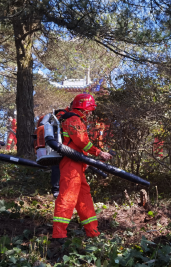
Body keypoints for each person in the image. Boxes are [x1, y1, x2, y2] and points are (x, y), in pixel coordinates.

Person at [52, 94, 112, 241]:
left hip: (78, 164)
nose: (90, 113)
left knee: (84, 198)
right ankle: (59, 235)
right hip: (71, 164)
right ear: (84, 108)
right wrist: (99, 152)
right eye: (90, 109)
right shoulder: (73, 119)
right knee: (67, 197)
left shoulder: (72, 118)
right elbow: (81, 142)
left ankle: (93, 232)